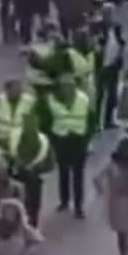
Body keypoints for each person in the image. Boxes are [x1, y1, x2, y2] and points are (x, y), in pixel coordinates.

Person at [46, 73, 92, 217]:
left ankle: (79, 207)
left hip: (78, 140)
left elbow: (91, 120)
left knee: (78, 175)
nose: (68, 90)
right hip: (62, 140)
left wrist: (87, 138)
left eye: (71, 86)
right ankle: (64, 201)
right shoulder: (52, 100)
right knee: (63, 172)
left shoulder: (83, 99)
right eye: (65, 87)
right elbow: (47, 121)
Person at [6, 111, 55, 225]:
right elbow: (9, 158)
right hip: (18, 177)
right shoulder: (16, 139)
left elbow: (50, 163)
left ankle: (31, 226)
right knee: (18, 203)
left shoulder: (43, 142)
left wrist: (37, 168)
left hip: (34, 178)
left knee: (33, 205)